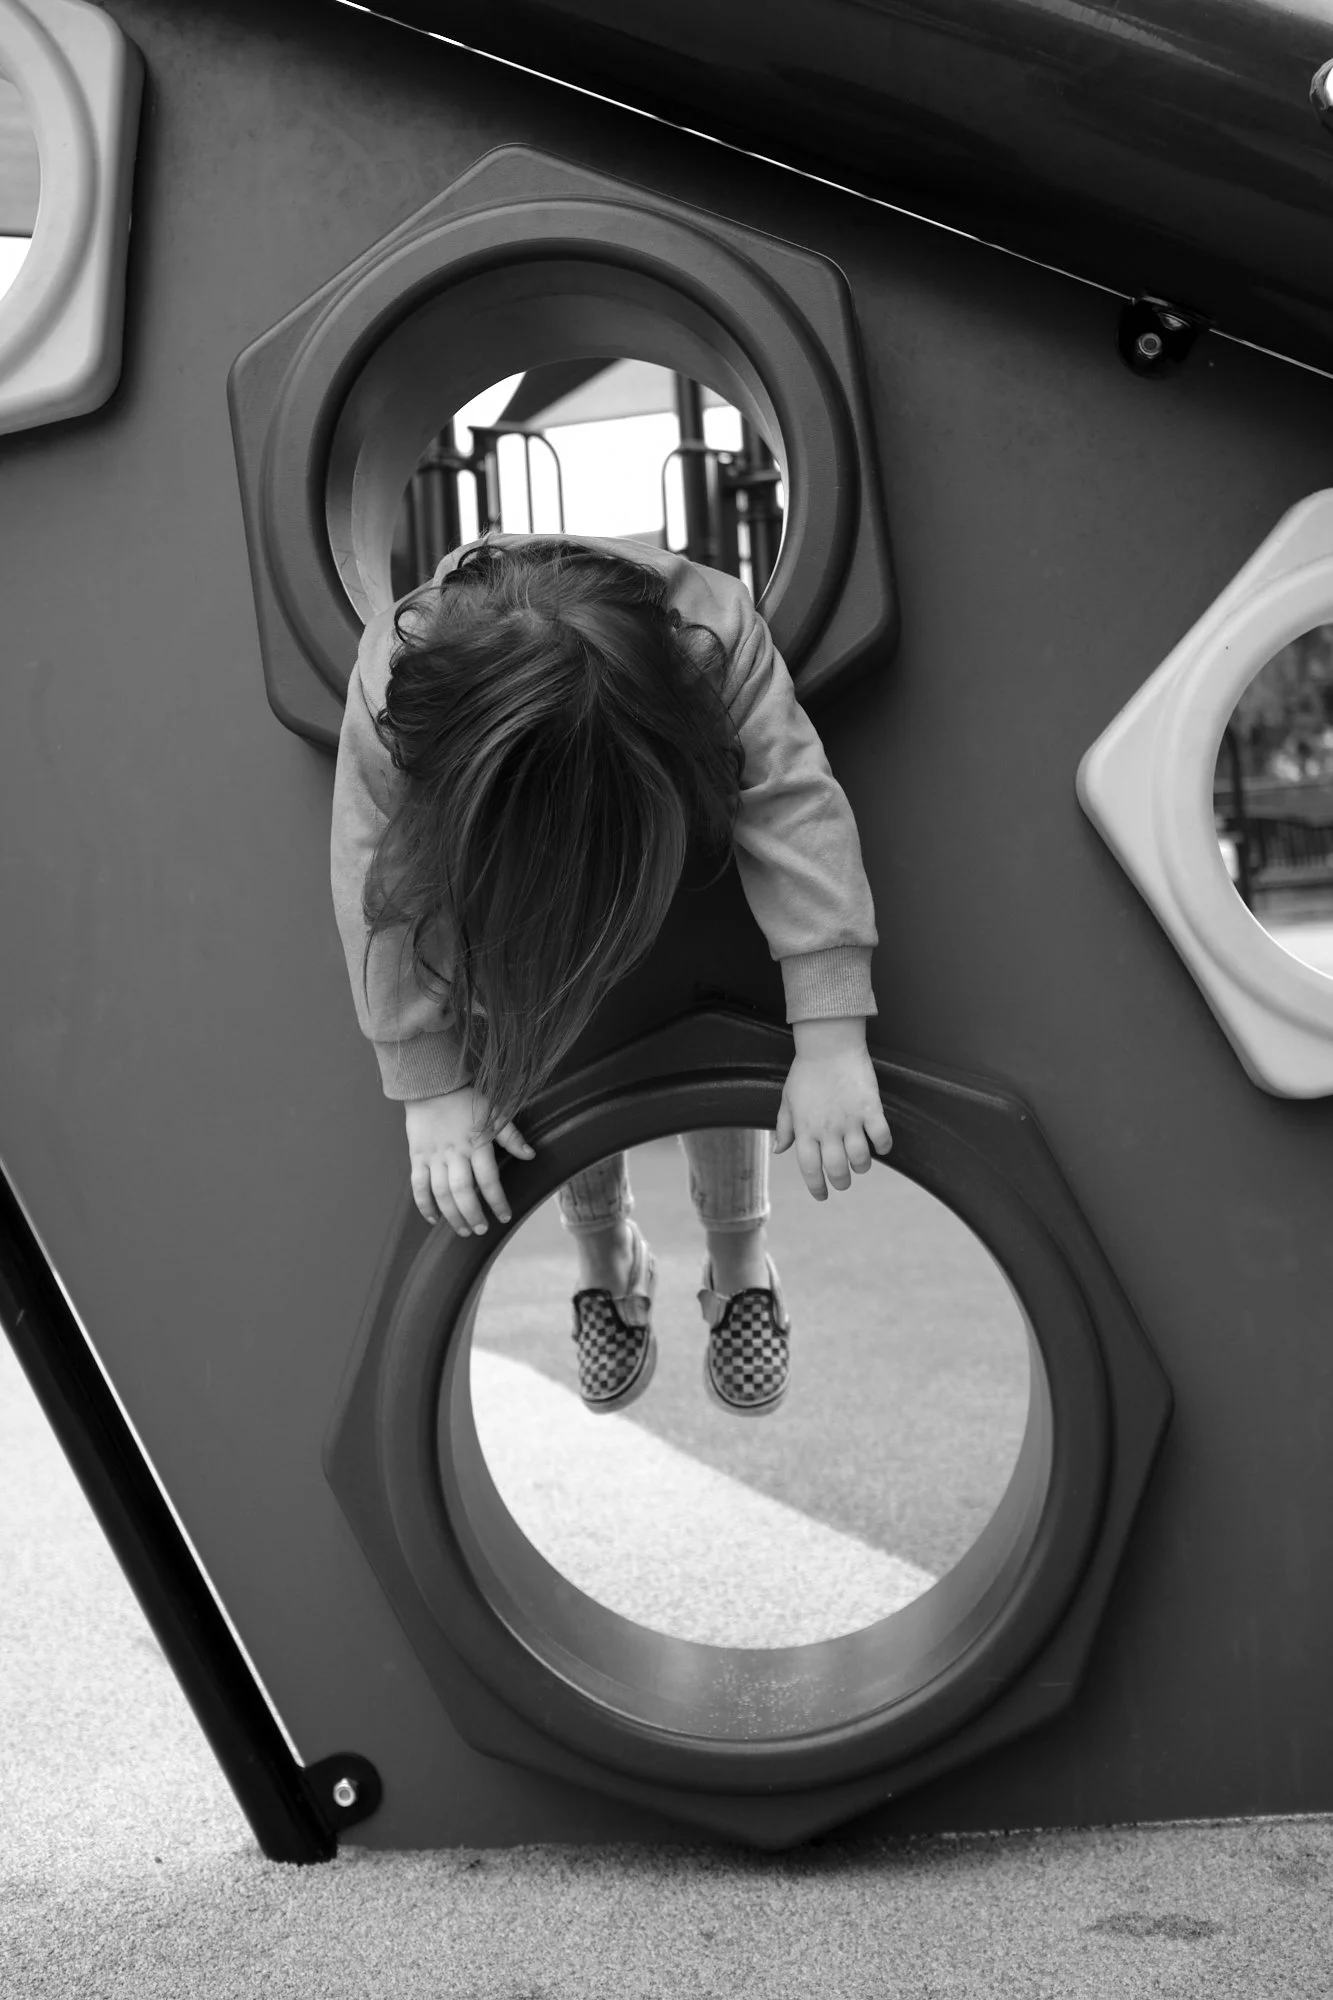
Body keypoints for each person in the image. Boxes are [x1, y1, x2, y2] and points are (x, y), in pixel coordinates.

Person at [330, 532, 892, 1418]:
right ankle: (605, 1256)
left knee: (707, 1032)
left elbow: (794, 805)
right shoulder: (395, 694)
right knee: (524, 1026)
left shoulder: (713, 643)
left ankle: (738, 1260)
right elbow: (379, 875)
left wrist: (829, 1035)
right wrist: (429, 1083)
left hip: (692, 884)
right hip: (510, 895)